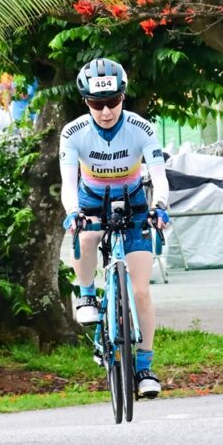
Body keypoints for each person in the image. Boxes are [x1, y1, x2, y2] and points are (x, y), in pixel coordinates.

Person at [59, 58, 170, 399]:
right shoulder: (73, 133)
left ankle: (145, 367)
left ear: (123, 96)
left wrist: (161, 207)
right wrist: (73, 212)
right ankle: (88, 294)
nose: (105, 111)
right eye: (96, 104)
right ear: (86, 102)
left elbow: (160, 177)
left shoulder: (142, 128)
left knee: (140, 292)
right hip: (91, 202)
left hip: (134, 204)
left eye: (112, 102)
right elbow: (68, 183)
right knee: (87, 233)